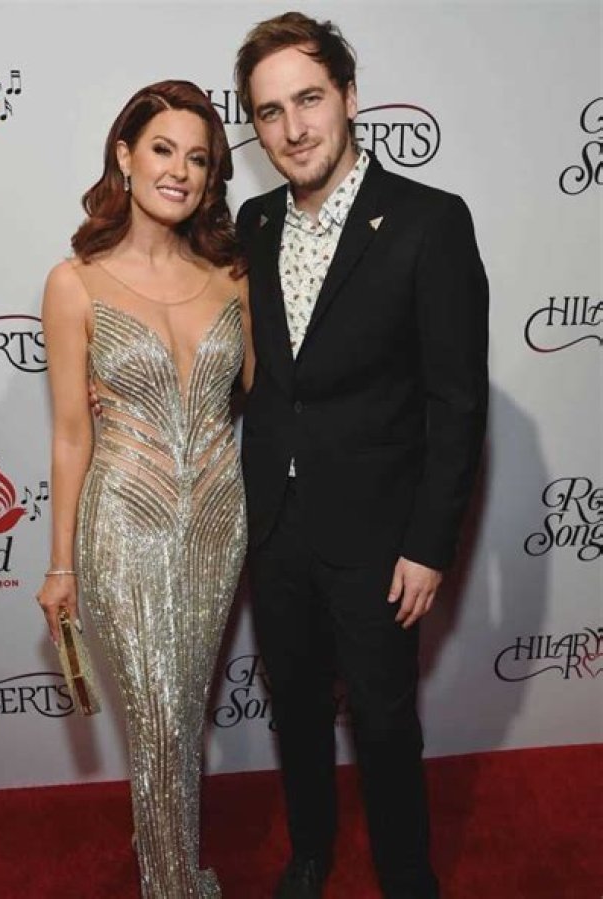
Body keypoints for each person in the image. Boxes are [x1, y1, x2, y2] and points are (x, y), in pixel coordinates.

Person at [234, 13, 488, 899]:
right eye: (270, 111)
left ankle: (406, 872)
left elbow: (457, 402)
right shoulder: (254, 221)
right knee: (298, 707)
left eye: (309, 99)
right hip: (275, 524)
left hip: (381, 537)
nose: (293, 128)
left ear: (348, 97)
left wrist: (429, 544)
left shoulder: (429, 221)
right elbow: (256, 371)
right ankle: (310, 850)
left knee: (382, 719)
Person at [35, 79, 253, 898]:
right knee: (160, 714)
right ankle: (175, 884)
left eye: (198, 158)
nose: (179, 171)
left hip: (218, 520)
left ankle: (168, 855)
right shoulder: (75, 282)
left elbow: (271, 396)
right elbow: (70, 432)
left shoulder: (233, 276)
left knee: (182, 712)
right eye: (163, 149)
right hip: (125, 520)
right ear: (125, 157)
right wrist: (61, 565)